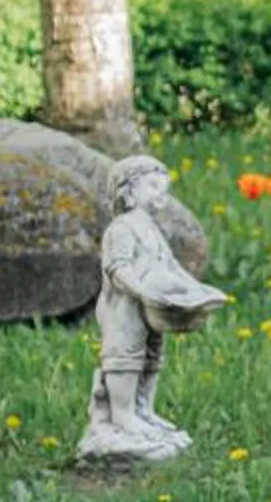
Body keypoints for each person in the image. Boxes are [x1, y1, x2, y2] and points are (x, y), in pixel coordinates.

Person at [78, 156, 227, 463]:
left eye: (165, 188)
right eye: (154, 186)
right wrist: (143, 290)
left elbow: (169, 266)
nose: (162, 193)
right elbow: (117, 268)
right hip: (123, 308)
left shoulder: (151, 228)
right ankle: (122, 416)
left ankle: (143, 408)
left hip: (152, 307)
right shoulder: (122, 228)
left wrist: (193, 289)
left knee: (152, 357)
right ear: (129, 192)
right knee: (124, 359)